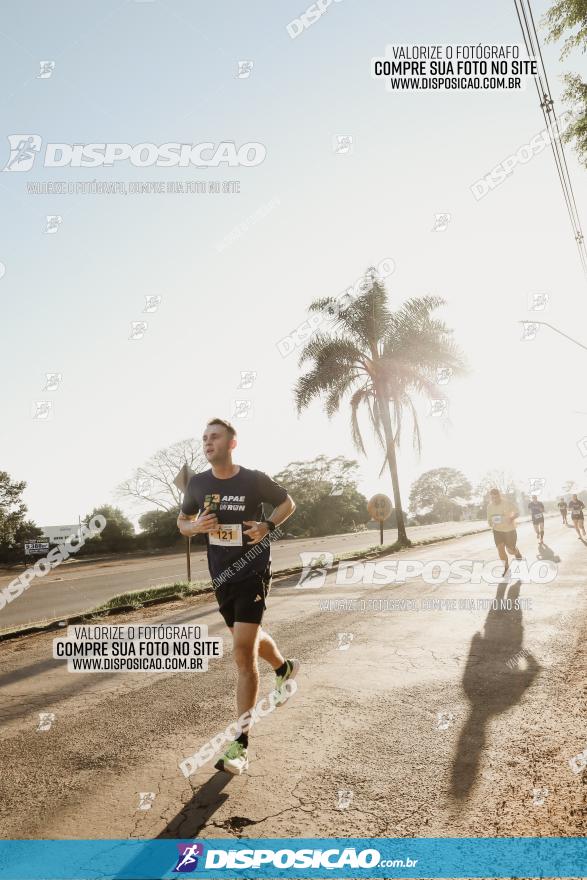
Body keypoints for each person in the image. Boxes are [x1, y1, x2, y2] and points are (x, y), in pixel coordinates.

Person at [177, 418, 299, 775]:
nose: (207, 442)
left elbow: (288, 502)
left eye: (214, 437)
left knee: (242, 654)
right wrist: (194, 527)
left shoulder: (254, 479)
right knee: (248, 639)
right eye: (204, 438)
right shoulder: (198, 483)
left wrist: (268, 527)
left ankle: (239, 745)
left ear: (232, 443)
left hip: (252, 571)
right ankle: (284, 667)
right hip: (222, 576)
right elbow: (182, 521)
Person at [486, 488, 523, 577]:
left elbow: (518, 512)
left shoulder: (507, 503)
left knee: (510, 551)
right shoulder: (489, 506)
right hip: (497, 531)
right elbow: (489, 520)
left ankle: (516, 552)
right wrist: (491, 523)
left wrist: (511, 518)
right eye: (492, 498)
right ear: (490, 498)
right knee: (500, 549)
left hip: (509, 530)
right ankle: (506, 568)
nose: (495, 499)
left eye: (496, 497)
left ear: (500, 495)